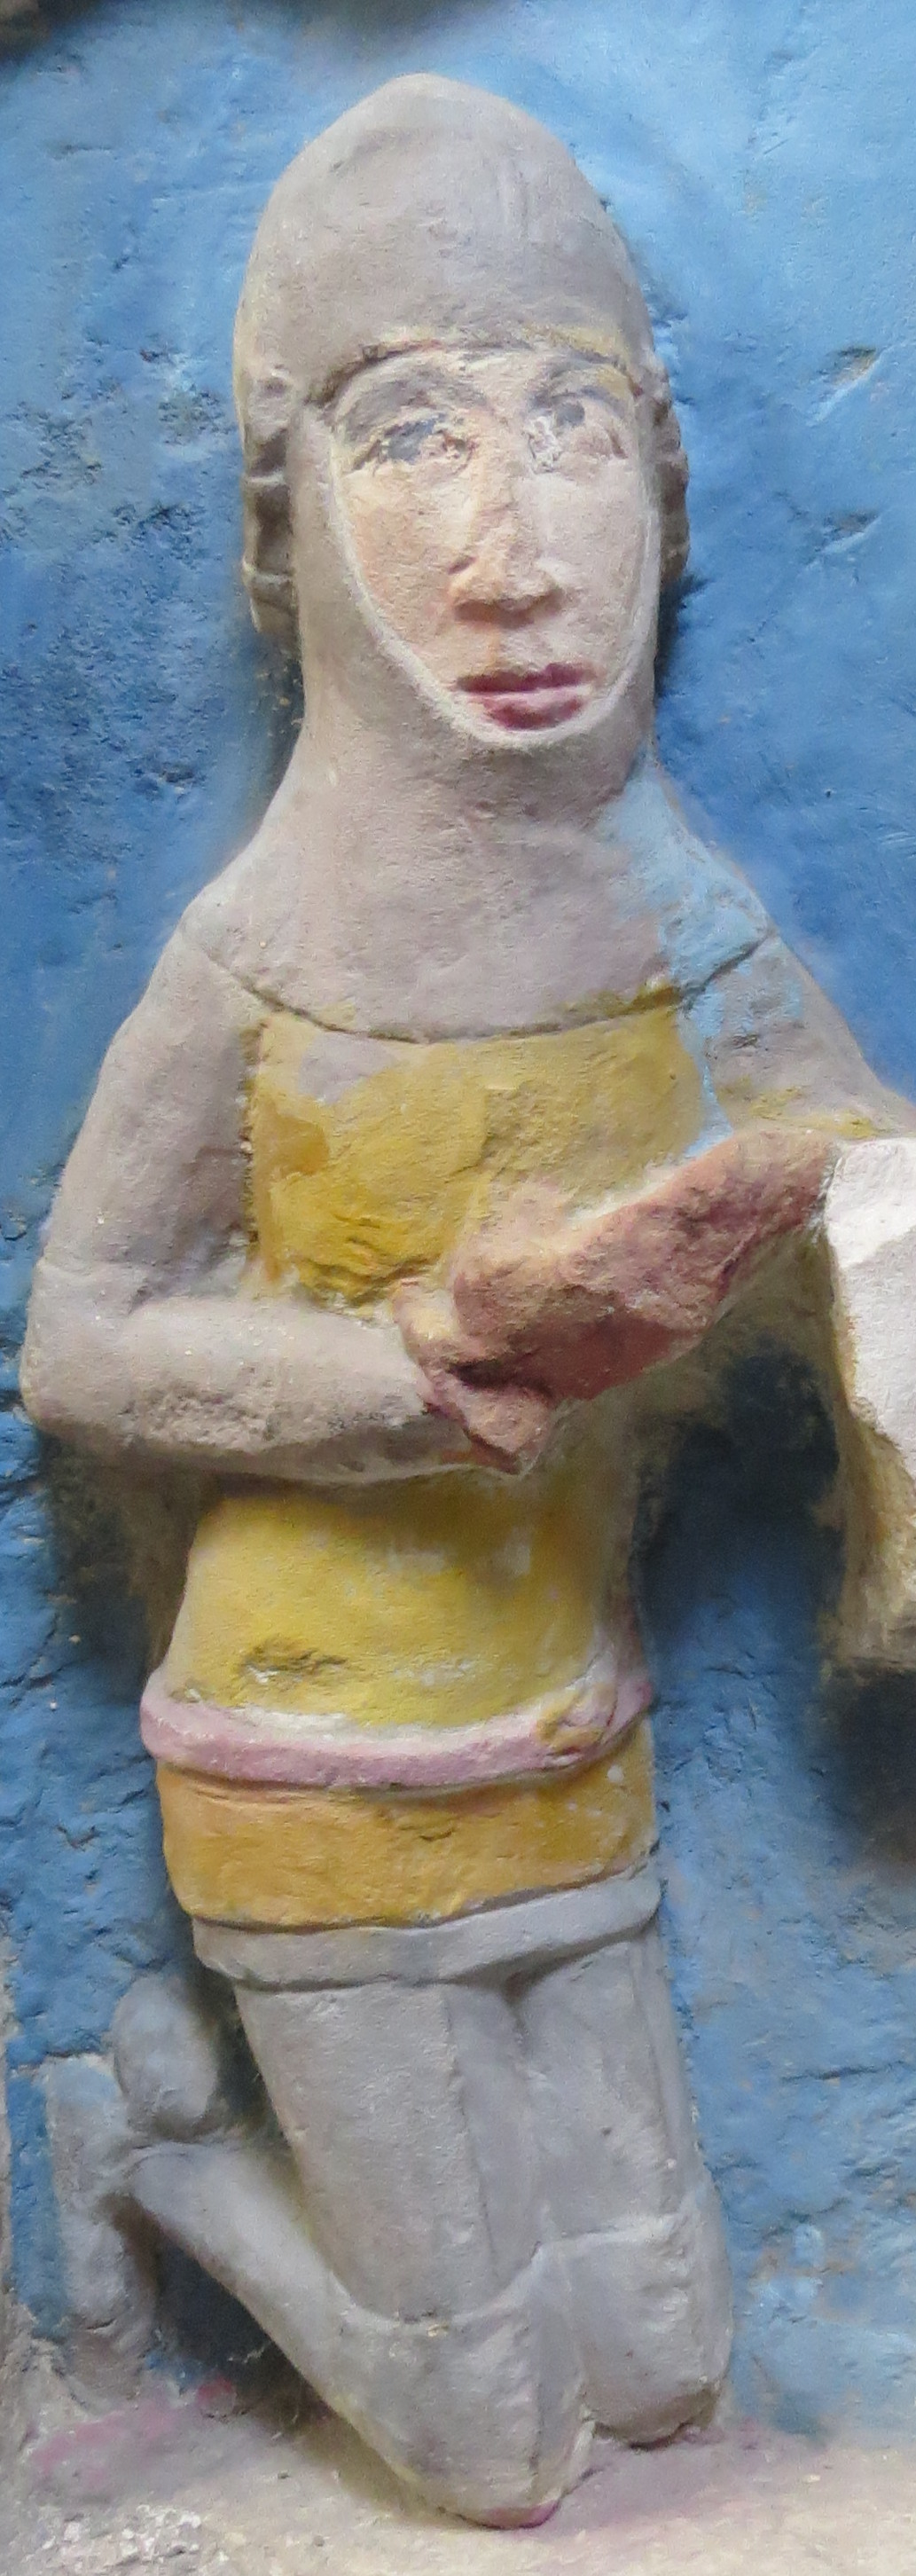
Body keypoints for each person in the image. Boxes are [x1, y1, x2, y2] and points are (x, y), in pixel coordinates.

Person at [21, 74, 916, 2526]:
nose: (514, 561)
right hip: (309, 1754)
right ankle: (150, 2157)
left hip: (567, 1723)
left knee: (663, 2359)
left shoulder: (670, 908)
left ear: (665, 487)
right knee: (494, 2443)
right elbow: (82, 1342)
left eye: (572, 427)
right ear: (285, 517)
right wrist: (417, 1369)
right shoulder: (257, 958)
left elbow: (861, 1160)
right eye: (414, 434)